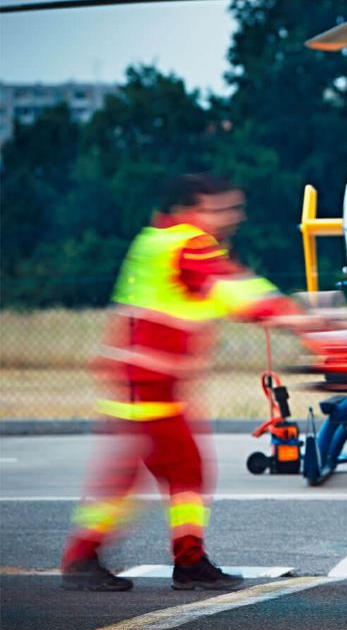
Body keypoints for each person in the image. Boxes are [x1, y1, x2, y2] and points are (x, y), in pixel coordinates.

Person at [61, 173, 308, 592]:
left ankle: (177, 559)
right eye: (221, 209)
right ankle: (91, 556)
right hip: (150, 382)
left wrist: (274, 312)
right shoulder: (185, 244)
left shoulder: (156, 242)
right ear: (191, 210)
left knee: (174, 470)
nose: (231, 218)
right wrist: (293, 315)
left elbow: (217, 294)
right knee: (150, 474)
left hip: (148, 381)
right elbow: (231, 288)